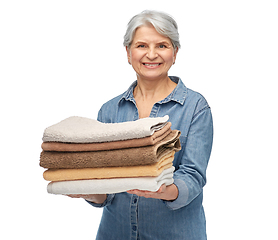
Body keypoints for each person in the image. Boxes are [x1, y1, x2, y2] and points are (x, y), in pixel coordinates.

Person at [68, 10, 213, 240]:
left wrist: (167, 191)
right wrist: (89, 191)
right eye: (142, 45)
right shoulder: (109, 110)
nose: (152, 54)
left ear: (175, 53)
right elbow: (106, 187)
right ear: (128, 52)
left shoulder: (196, 107)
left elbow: (193, 175)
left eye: (162, 46)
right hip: (115, 233)